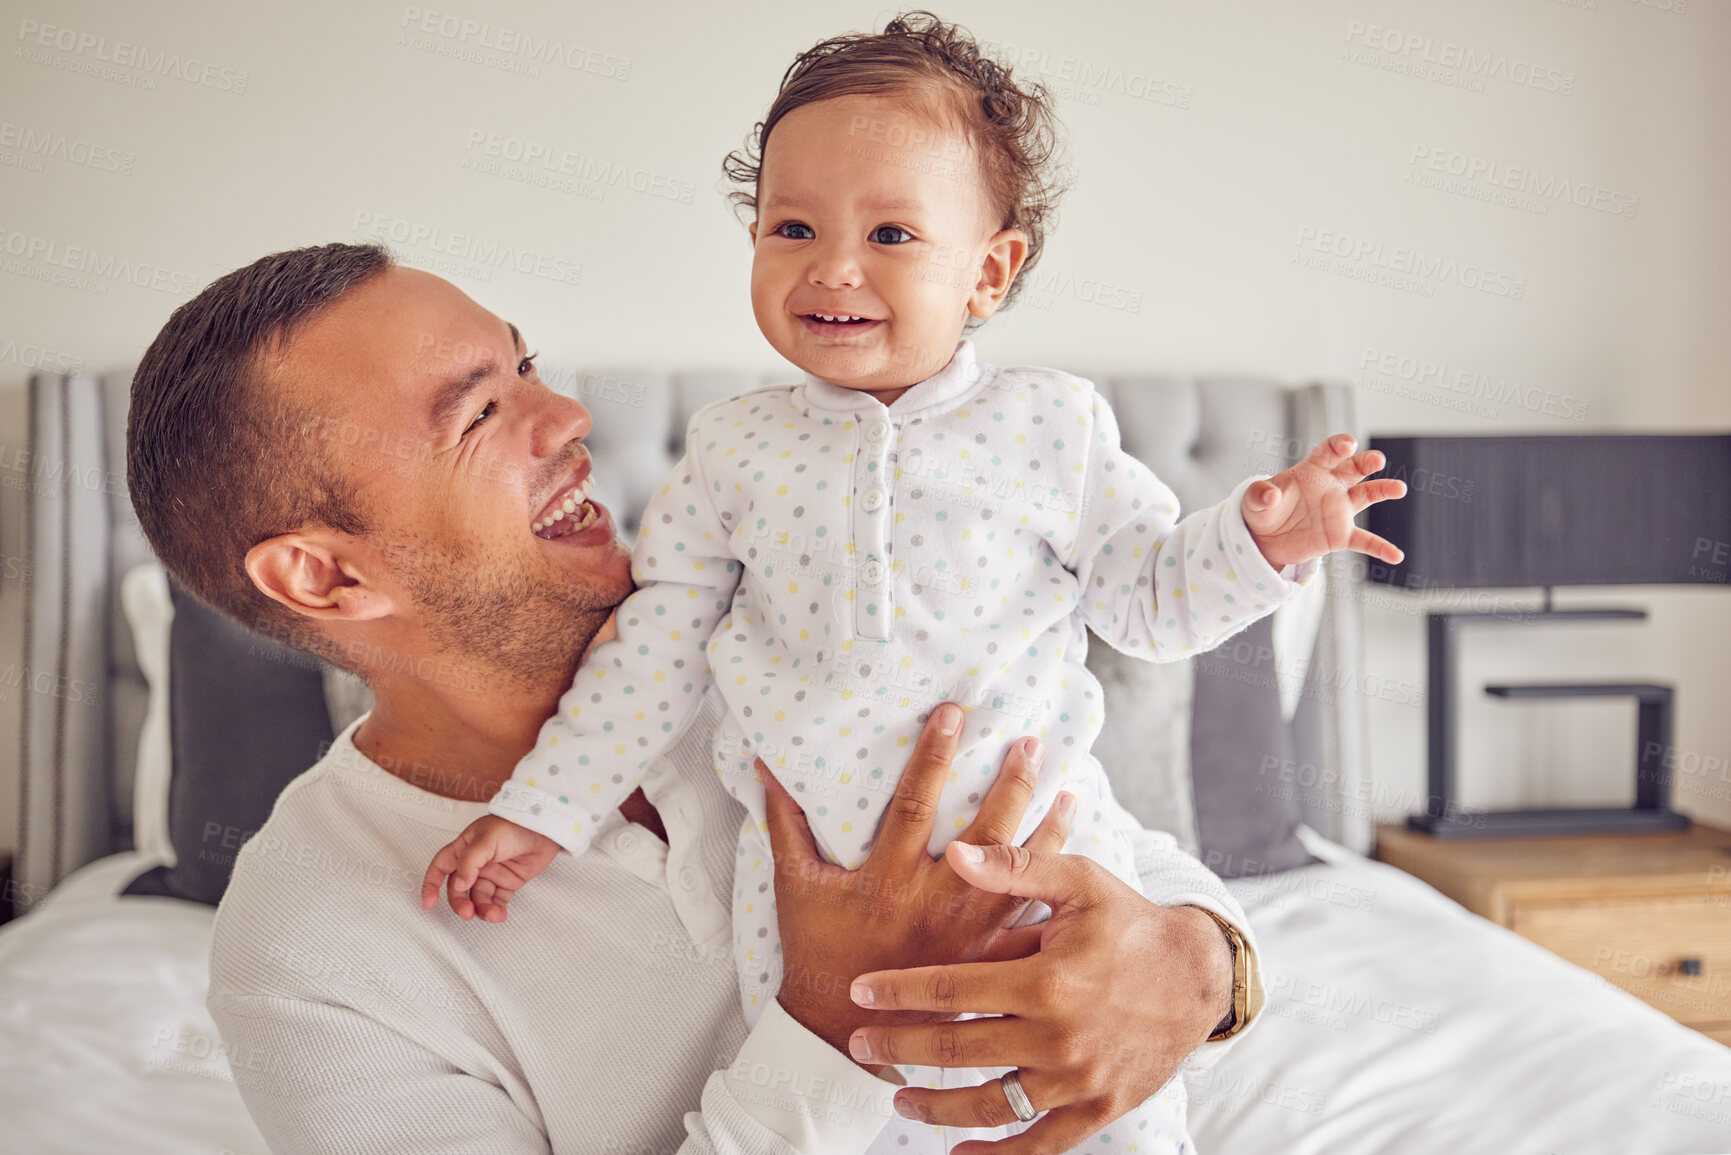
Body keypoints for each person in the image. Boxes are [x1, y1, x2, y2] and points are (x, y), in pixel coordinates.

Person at [421, 15, 1404, 1149]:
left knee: (1093, 1121)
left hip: (1042, 877)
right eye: (791, 226)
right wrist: (542, 809)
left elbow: (1147, 600)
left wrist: (1260, 542)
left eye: (891, 232)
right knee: (867, 1106)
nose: (832, 266)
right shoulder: (736, 447)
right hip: (807, 906)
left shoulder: (1051, 425)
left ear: (989, 269)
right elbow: (653, 648)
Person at [128, 240, 1264, 1154]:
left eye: (528, 365)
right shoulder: (309, 954)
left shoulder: (785, 635)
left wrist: (1201, 968)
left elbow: (1095, 833)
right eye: (479, 414)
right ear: (325, 576)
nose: (566, 417)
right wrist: (823, 1018)